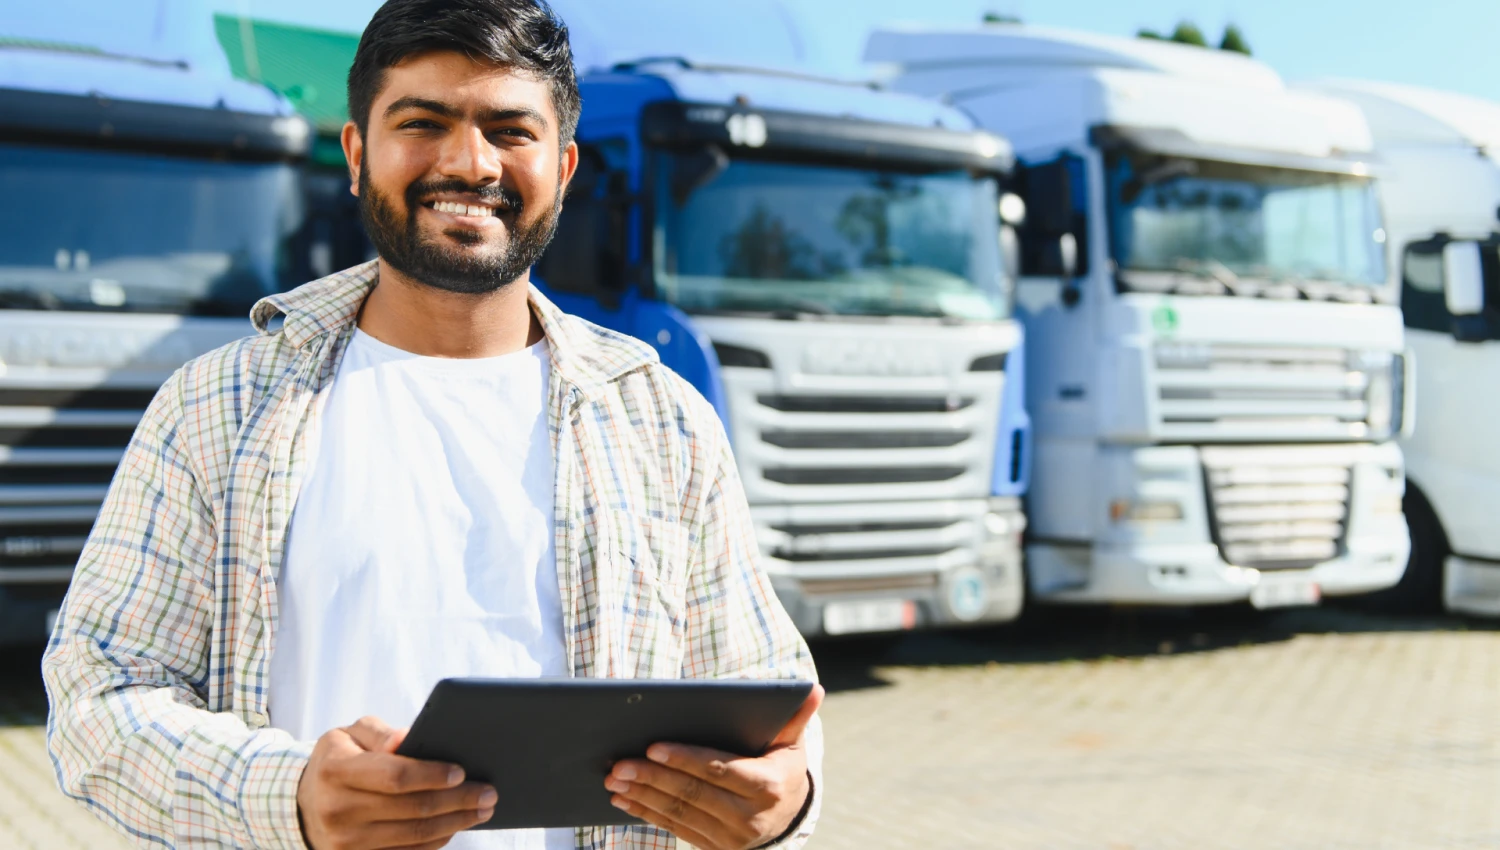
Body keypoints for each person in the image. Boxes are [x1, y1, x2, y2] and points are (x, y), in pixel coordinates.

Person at [41, 1, 823, 848]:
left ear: (562, 167)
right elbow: (98, 698)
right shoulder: (217, 407)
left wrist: (788, 800)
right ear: (354, 154)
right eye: (424, 122)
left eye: (509, 129)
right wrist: (287, 793)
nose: (468, 161)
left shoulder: (663, 420)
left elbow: (765, 693)